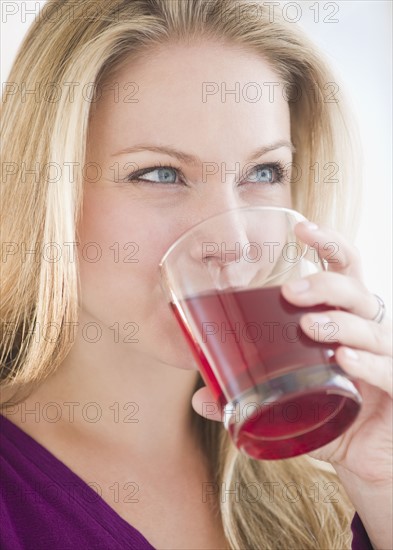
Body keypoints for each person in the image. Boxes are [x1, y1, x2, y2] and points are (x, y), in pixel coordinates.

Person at [1, 1, 391, 549]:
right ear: (46, 192)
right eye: (160, 174)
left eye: (263, 171)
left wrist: (381, 485)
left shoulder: (329, 474)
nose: (232, 242)